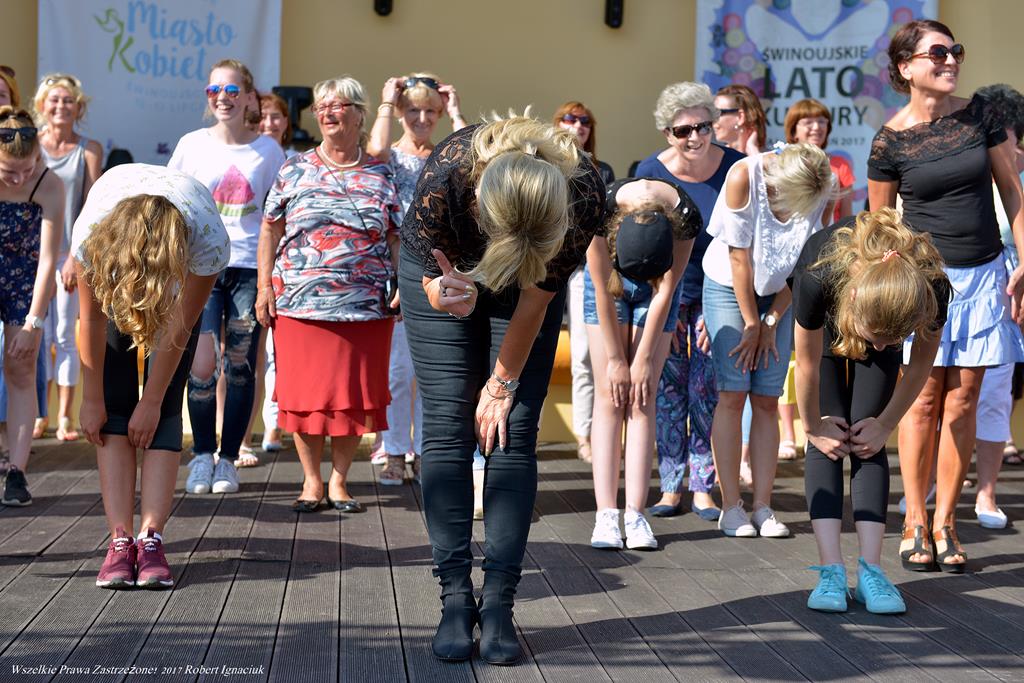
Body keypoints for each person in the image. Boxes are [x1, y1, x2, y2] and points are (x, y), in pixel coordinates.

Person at [399, 114, 605, 664]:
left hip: (529, 286)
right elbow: (427, 270)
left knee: (511, 429)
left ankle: (498, 604)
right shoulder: (448, 173)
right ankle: (454, 598)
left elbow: (537, 296)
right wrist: (439, 292)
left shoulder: (583, 192)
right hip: (446, 272)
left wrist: (501, 382)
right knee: (447, 426)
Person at [868, 20, 1024, 572]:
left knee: (963, 401)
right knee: (923, 401)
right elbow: (880, 225)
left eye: (954, 50)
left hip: (984, 277)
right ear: (905, 66)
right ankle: (914, 519)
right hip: (924, 284)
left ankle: (946, 522)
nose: (951, 59)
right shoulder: (889, 140)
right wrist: (888, 285)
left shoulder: (983, 114)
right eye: (937, 53)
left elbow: (1012, 193)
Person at [74, 164, 228, 589]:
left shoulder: (208, 241)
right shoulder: (90, 236)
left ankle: (151, 538)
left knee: (162, 409)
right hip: (114, 261)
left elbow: (179, 328)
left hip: (178, 280)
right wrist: (91, 399)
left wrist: (153, 401)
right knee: (114, 403)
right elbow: (92, 321)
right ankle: (120, 540)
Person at [256, 76, 401, 513]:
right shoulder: (294, 168)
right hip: (300, 305)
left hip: (366, 306)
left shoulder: (381, 172)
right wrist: (263, 287)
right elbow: (269, 230)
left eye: (337, 105)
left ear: (359, 113)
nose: (327, 112)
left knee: (352, 397)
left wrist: (403, 285)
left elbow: (395, 236)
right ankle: (311, 481)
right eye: (321, 106)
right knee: (304, 397)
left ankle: (339, 481)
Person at [793, 208, 949, 614]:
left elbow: (920, 365)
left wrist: (885, 424)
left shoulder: (929, 287)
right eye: (876, 338)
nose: (879, 348)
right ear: (855, 302)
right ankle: (830, 570)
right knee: (829, 429)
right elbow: (807, 364)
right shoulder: (817, 276)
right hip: (832, 311)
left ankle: (871, 572)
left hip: (887, 301)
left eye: (892, 340)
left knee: (866, 432)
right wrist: (811, 427)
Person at [702, 142, 834, 538]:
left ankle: (762, 506)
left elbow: (807, 262)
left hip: (781, 292)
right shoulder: (744, 176)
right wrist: (751, 323)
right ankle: (731, 507)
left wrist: (773, 319)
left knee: (766, 397)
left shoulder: (820, 184)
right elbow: (738, 257)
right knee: (732, 391)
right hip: (729, 287)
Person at [169, 59, 285, 494]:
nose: (223, 97)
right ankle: (202, 455)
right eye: (214, 90)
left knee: (240, 365)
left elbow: (278, 217)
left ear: (249, 97)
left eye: (232, 90)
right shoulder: (191, 145)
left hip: (249, 269)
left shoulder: (268, 151)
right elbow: (171, 203)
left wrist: (271, 276)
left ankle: (229, 460)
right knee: (201, 366)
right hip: (200, 268)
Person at [638, 82, 745, 521]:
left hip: (720, 289)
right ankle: (670, 487)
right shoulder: (650, 171)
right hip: (665, 289)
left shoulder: (737, 166)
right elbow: (641, 243)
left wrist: (717, 306)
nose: (696, 137)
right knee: (668, 389)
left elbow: (744, 241)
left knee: (707, 388)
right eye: (683, 130)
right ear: (668, 133)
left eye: (703, 126)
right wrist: (665, 301)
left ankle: (703, 487)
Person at [587, 177, 700, 550]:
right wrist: (616, 360)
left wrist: (645, 359)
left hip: (658, 288)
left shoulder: (685, 217)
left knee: (641, 395)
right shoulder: (599, 211)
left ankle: (635, 513)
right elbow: (601, 286)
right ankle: (606, 513)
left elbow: (666, 288)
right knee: (610, 395)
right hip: (609, 283)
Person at [366, 73, 467, 485]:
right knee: (397, 371)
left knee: (431, 373)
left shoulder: (445, 154)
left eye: (430, 111)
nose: (421, 118)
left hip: (441, 266)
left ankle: (425, 452)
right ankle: (393, 452)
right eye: (412, 110)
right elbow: (373, 150)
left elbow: (474, 155)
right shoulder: (389, 155)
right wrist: (387, 100)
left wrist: (457, 111)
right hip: (399, 268)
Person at [33, 73, 104, 442]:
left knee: (64, 335)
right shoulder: (30, 144)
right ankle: (38, 412)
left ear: (79, 108)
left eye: (68, 100)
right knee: (35, 333)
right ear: (42, 106)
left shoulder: (89, 150)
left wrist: (75, 257)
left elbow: (93, 206)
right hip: (31, 255)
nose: (61, 106)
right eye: (54, 99)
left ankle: (63, 417)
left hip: (69, 255)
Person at [0, 107, 63, 506]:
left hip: (24, 276)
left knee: (21, 369)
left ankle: (16, 473)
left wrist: (32, 322)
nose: (19, 179)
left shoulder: (49, 183)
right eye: (9, 172)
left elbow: (47, 260)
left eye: (27, 168)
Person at [971, 83, 1024, 529]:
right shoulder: (960, 168)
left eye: (1004, 133)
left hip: (1006, 290)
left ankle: (986, 492)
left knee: (994, 392)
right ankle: (932, 481)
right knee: (939, 392)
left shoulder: (1019, 175)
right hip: (955, 286)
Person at [554, 100, 614, 466]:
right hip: (546, 268)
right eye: (570, 118)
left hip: (583, 271)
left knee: (585, 356)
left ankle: (586, 436)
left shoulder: (601, 170)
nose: (578, 125)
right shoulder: (544, 163)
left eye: (585, 121)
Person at [784, 98, 854, 222]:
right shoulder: (782, 163)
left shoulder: (840, 165)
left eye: (821, 121)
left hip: (830, 233)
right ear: (794, 130)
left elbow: (846, 219)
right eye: (808, 122)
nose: (816, 127)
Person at [713, 84, 766, 157]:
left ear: (741, 117)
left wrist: (753, 153)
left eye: (718, 113)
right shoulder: (716, 158)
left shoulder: (772, 158)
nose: (713, 119)